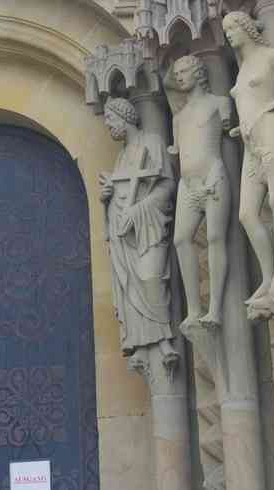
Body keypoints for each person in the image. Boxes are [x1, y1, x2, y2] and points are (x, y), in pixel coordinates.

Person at [98, 97, 179, 372]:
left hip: (148, 225)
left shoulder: (152, 142)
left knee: (150, 277)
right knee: (130, 285)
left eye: (110, 119)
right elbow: (121, 191)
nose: (108, 125)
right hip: (124, 231)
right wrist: (107, 196)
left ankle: (165, 339)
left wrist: (139, 210)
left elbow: (166, 185)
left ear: (125, 117)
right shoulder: (121, 155)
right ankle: (143, 347)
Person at [223, 10, 274, 303]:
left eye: (232, 28)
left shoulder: (272, 56)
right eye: (226, 30)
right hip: (250, 145)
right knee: (246, 214)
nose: (229, 34)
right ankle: (268, 276)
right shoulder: (242, 67)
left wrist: (266, 109)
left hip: (271, 131)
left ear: (245, 28)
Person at [164, 55, 234, 330]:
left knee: (216, 237)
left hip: (213, 176)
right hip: (187, 184)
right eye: (176, 72)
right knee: (181, 239)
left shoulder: (219, 103)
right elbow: (178, 150)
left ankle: (215, 308)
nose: (179, 76)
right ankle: (194, 309)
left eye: (184, 71)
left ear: (199, 72)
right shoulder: (178, 117)